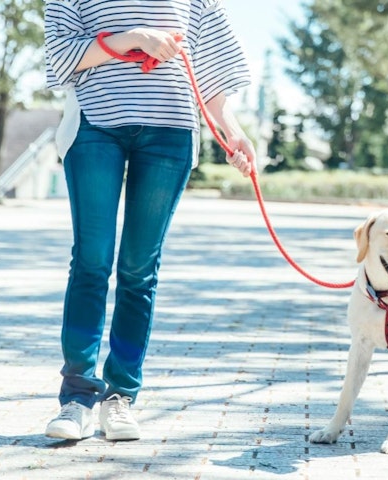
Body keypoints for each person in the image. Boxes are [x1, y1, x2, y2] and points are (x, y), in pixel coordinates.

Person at [43, 0, 256, 441]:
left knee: (140, 268)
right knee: (91, 260)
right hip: (95, 126)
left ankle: (120, 396)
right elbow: (61, 57)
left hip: (171, 132)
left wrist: (231, 130)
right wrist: (134, 38)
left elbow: (211, 74)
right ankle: (77, 398)